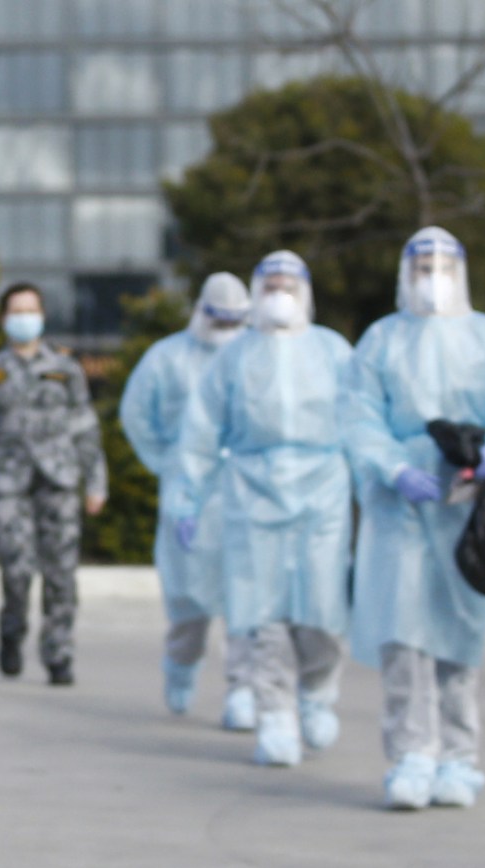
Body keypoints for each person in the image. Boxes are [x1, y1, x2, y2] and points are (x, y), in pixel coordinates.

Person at [341, 226, 485, 810]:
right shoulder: (381, 340)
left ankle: (459, 759)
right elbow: (357, 417)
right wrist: (391, 467)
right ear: (403, 273)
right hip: (402, 506)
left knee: (461, 633)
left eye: (442, 266)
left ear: (461, 271)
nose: (431, 278)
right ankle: (411, 756)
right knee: (403, 634)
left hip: (468, 501)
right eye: (420, 266)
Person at [174, 251, 353, 767]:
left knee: (322, 610)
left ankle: (317, 691)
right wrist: (189, 496)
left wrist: (381, 482)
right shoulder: (234, 357)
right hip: (252, 491)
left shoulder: (333, 351)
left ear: (305, 293)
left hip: (323, 494)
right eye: (269, 284)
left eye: (288, 285)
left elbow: (361, 419)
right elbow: (202, 431)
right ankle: (275, 715)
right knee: (263, 615)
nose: (278, 294)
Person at [119, 273, 258, 726]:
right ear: (201, 313)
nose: (226, 332)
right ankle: (181, 666)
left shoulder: (256, 356)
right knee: (189, 603)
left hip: (246, 493)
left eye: (236, 322)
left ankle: (244, 690)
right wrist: (169, 466)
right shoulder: (168, 358)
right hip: (189, 496)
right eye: (220, 322)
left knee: (248, 599)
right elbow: (137, 414)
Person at [0, 282, 107, 685]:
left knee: (61, 572)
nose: (25, 317)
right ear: (5, 319)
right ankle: (12, 631)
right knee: (17, 570)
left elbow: (85, 427)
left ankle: (58, 654)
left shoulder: (66, 367)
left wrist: (96, 482)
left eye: (32, 309)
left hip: (58, 479)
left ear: (42, 315)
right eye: (17, 311)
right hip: (9, 482)